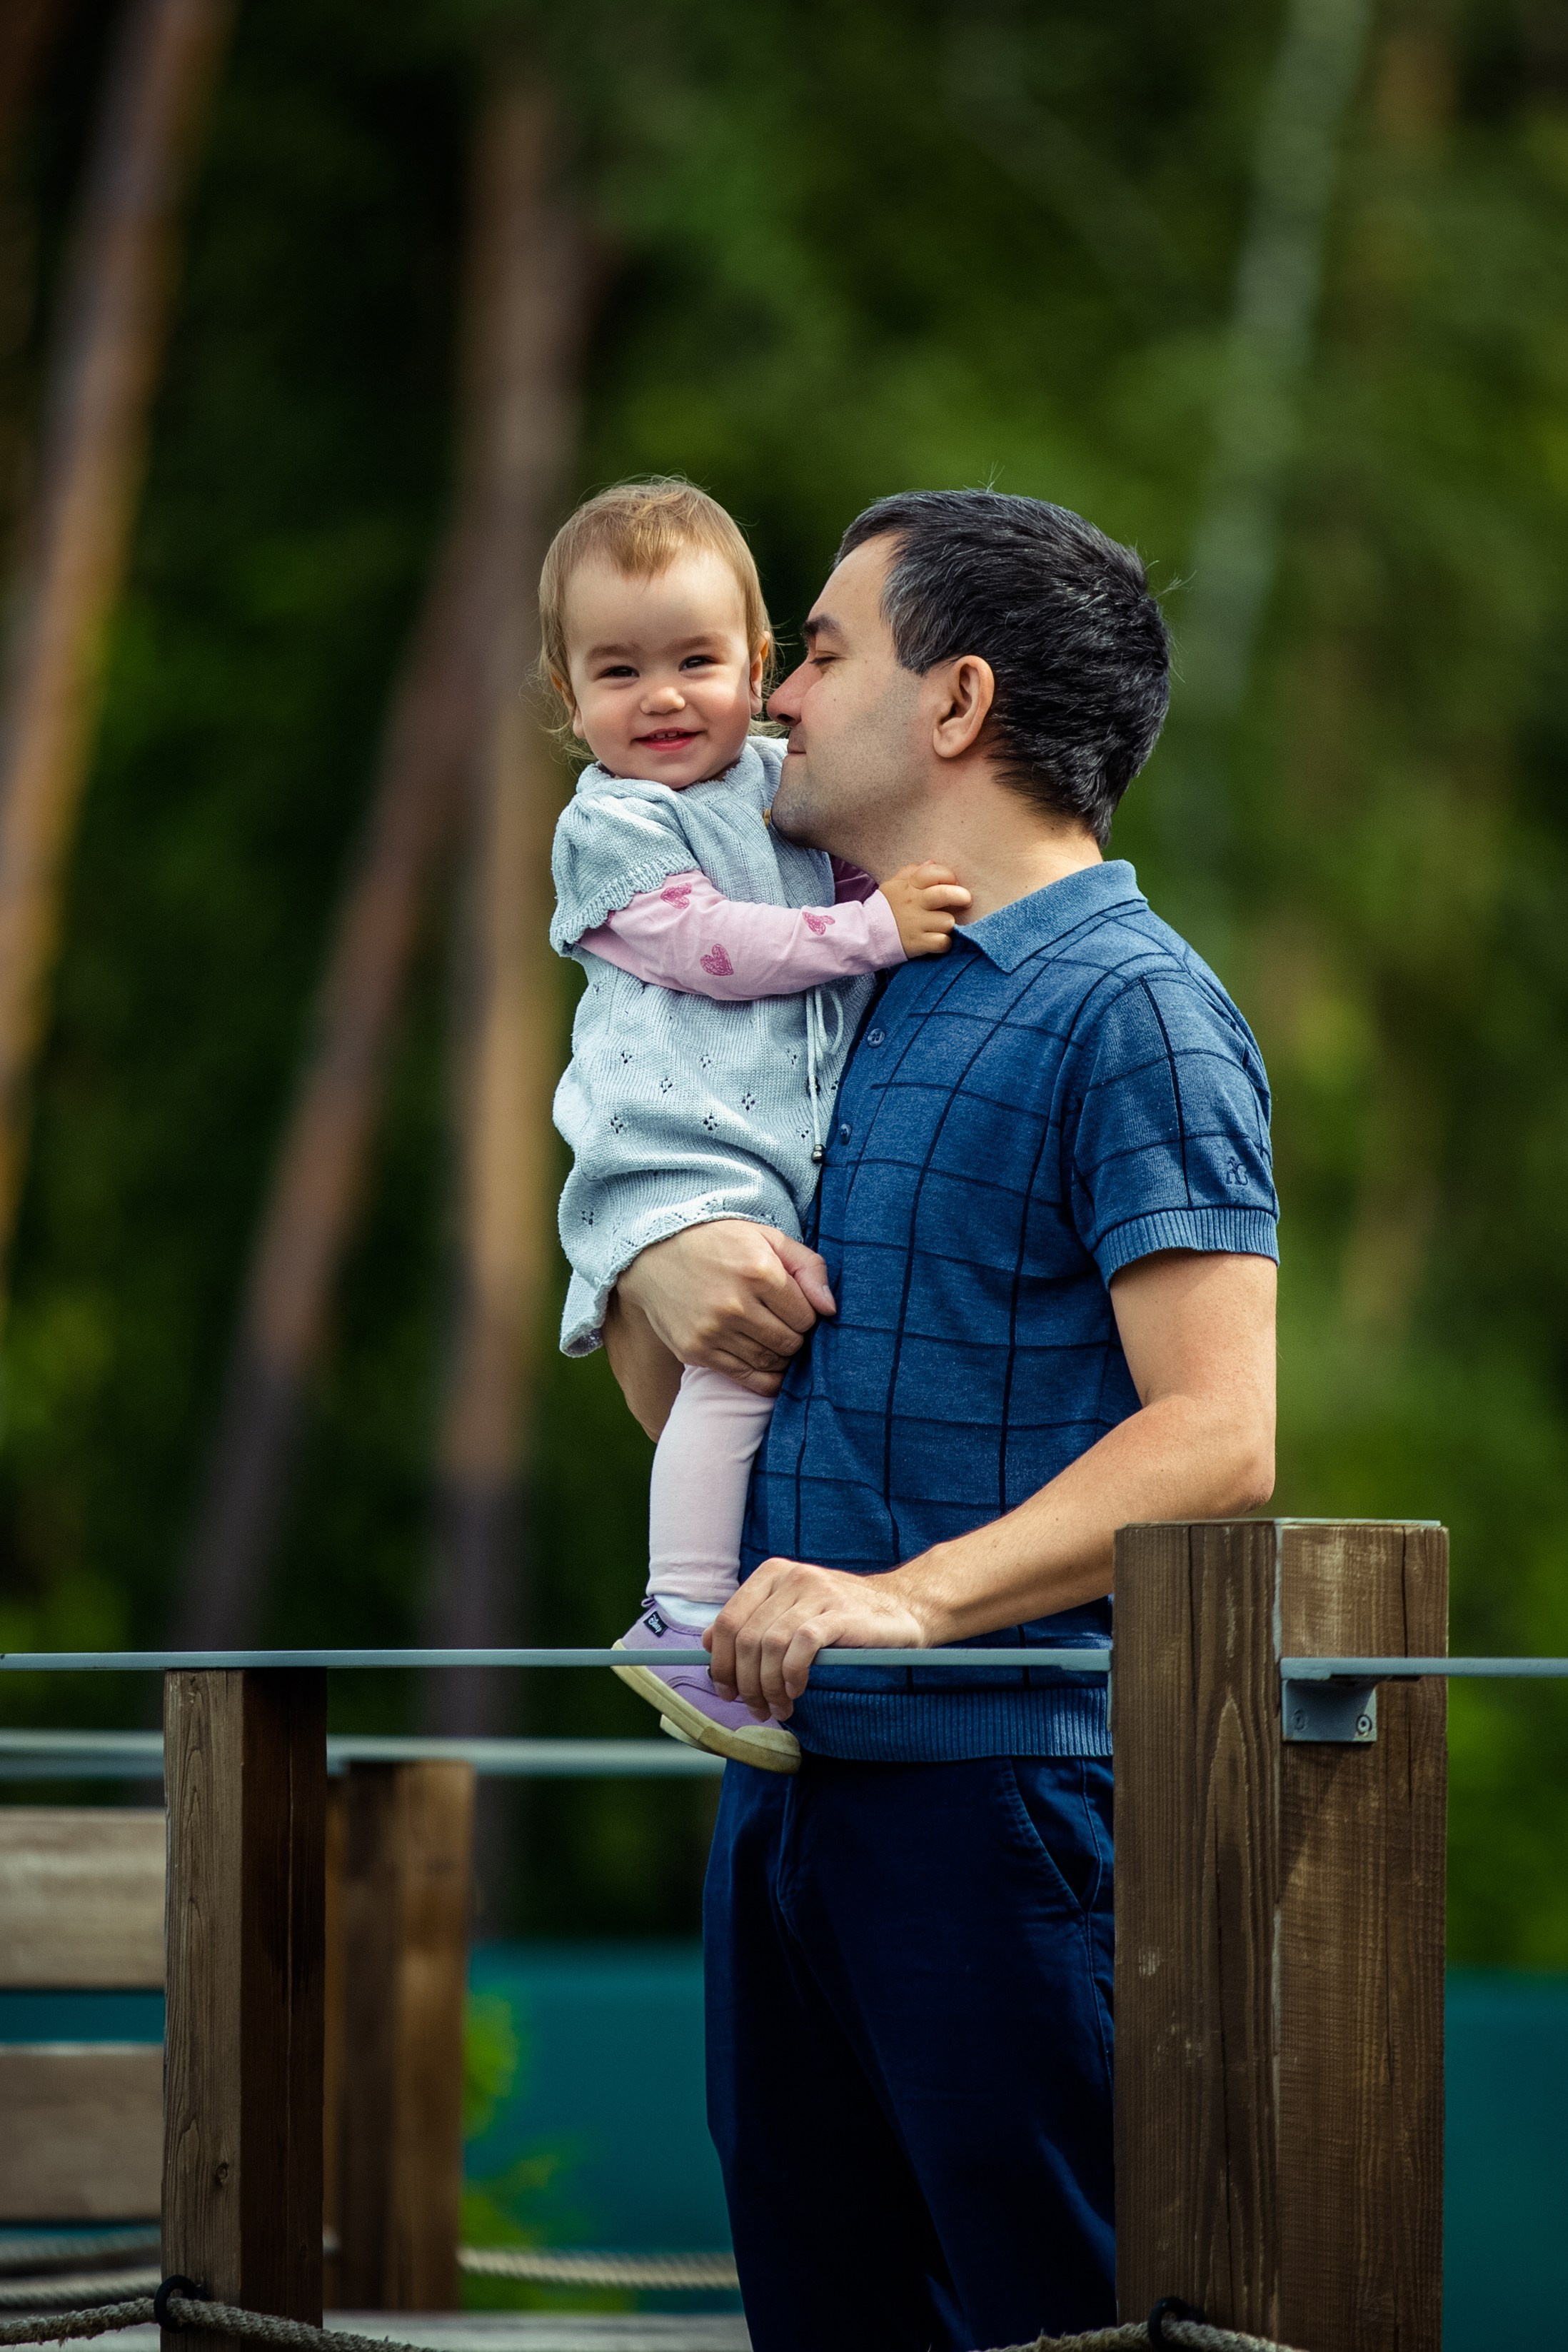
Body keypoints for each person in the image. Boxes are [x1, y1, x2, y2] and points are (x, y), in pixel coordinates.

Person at [605, 490, 1280, 2352]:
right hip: (783, 1797)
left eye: (819, 652)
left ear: (958, 700)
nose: (772, 697)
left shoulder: (1138, 1009)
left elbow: (1222, 1432)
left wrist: (900, 1600)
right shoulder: (842, 998)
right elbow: (692, 1404)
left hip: (1004, 1812)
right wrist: (654, 1284)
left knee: (1061, 2324)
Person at [543, 479, 970, 1769]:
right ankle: (680, 1613)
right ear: (568, 697)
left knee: (766, 1359)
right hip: (673, 1152)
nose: (662, 698)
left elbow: (870, 845)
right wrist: (873, 927)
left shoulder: (781, 783)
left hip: (763, 1152)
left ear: (758, 665)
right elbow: (713, 947)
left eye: (695, 661)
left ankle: (744, 1597)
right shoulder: (613, 822)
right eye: (618, 671)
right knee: (734, 1373)